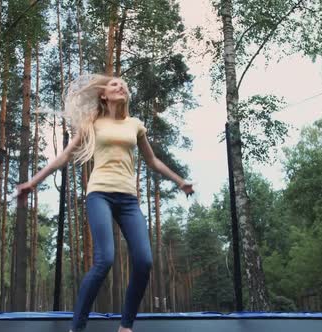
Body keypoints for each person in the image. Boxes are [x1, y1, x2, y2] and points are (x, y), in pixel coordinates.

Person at [15, 74, 194, 332]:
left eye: (124, 83)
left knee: (144, 261)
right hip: (99, 194)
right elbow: (65, 156)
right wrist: (33, 182)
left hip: (128, 199)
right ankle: (76, 327)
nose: (120, 85)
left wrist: (180, 181)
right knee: (105, 259)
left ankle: (126, 327)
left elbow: (153, 161)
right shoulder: (93, 122)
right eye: (113, 84)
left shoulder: (135, 124)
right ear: (103, 95)